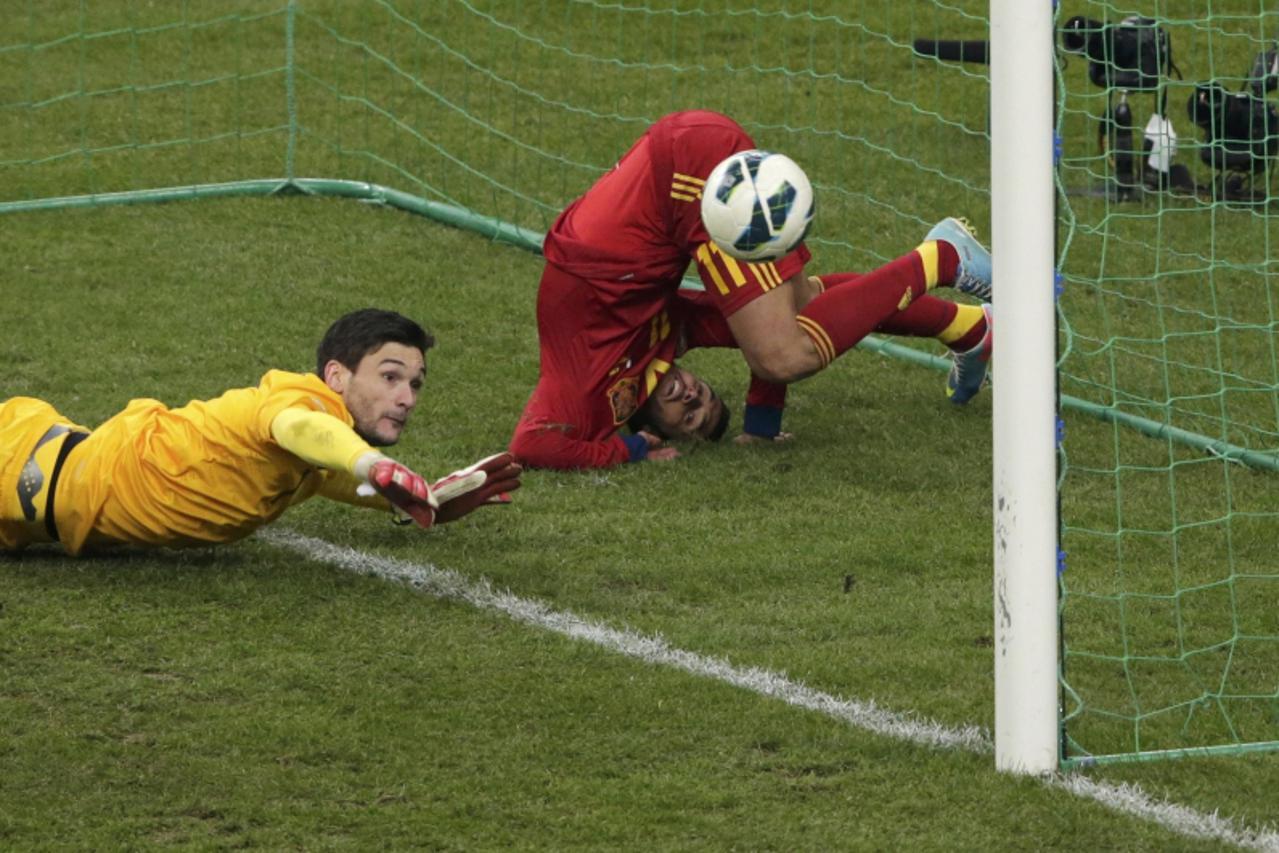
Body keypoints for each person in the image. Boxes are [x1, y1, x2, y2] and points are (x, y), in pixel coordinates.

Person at [509, 109, 993, 470]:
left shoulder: (585, 387)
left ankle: (942, 257)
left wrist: (630, 450)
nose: (693, 395)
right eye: (704, 403)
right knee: (805, 312)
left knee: (782, 354)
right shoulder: (663, 336)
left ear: (654, 428)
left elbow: (530, 444)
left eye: (688, 414)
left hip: (685, 178)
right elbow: (762, 322)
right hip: (684, 169)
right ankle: (968, 329)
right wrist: (760, 425)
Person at [0, 308, 522, 556]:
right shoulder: (302, 405)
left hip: (47, 467)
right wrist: (371, 464)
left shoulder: (314, 463)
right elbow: (302, 429)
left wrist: (415, 498)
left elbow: (329, 472)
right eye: (389, 377)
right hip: (22, 471)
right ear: (337, 375)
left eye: (414, 383)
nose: (406, 397)